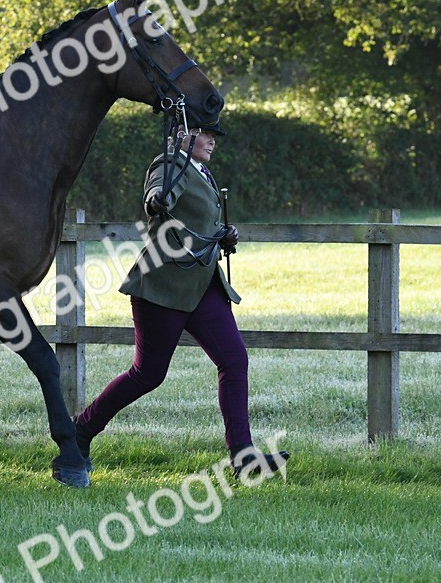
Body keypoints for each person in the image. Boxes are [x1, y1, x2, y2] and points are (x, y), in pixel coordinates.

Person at [74, 122, 289, 478]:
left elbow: (197, 221)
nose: (212, 141)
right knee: (148, 375)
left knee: (234, 361)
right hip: (163, 287)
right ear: (181, 133)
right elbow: (158, 193)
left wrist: (222, 235)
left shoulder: (201, 170)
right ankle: (80, 431)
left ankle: (243, 457)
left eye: (214, 135)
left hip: (203, 285)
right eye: (205, 133)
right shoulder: (170, 163)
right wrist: (155, 200)